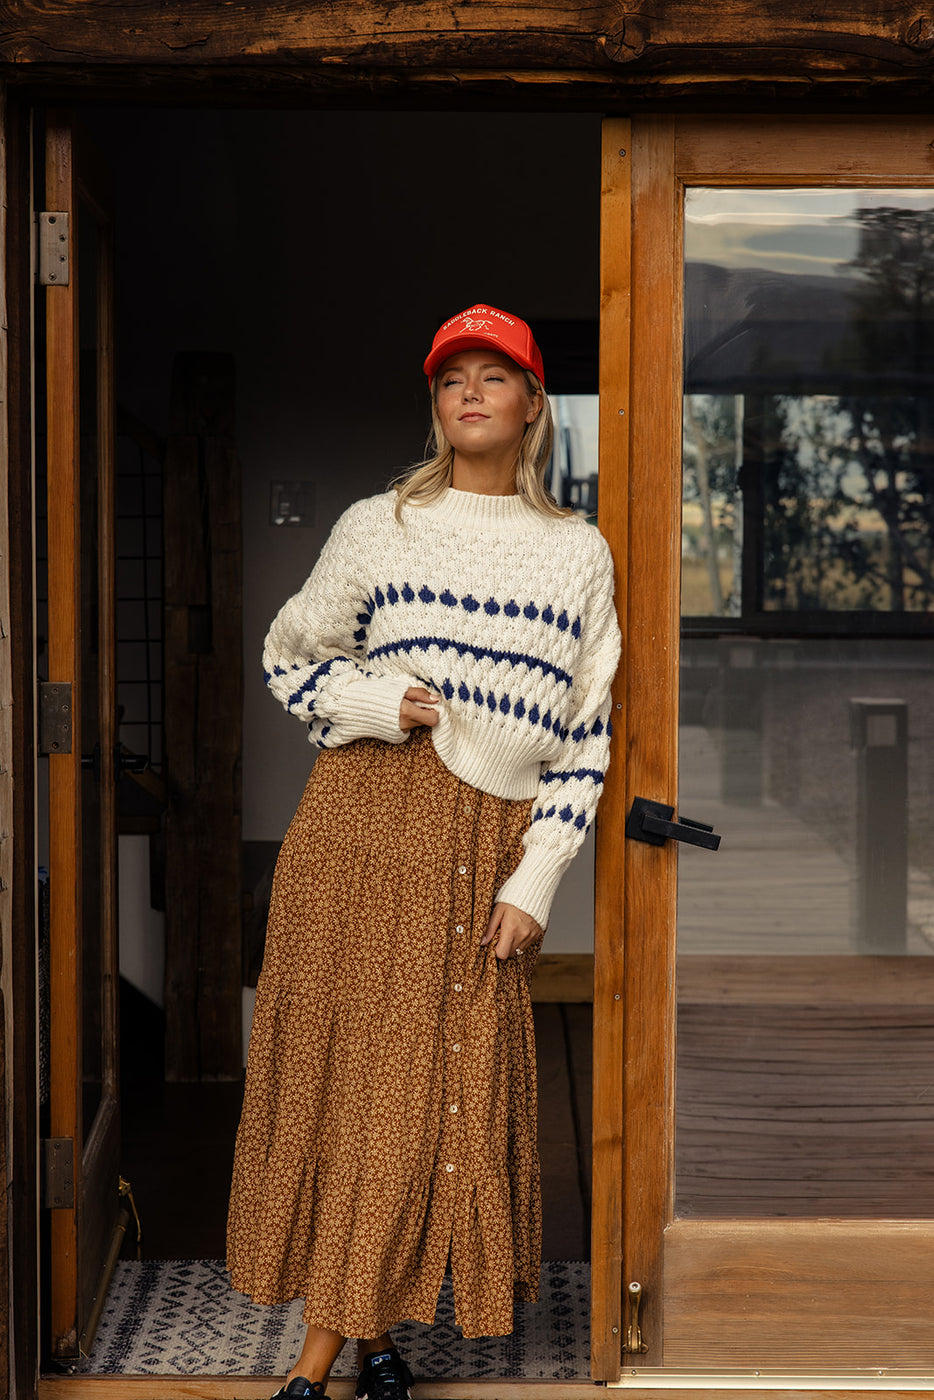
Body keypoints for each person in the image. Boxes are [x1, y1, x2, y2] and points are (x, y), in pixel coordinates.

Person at [227, 304, 621, 1400]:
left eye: (496, 376)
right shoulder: (377, 525)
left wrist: (537, 874)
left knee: (434, 1087)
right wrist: (372, 698)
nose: (470, 394)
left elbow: (584, 736)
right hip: (363, 817)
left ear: (534, 404)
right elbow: (289, 653)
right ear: (435, 402)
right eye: (453, 378)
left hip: (485, 837)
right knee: (354, 1078)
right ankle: (338, 1355)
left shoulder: (576, 553)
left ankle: (365, 1341)